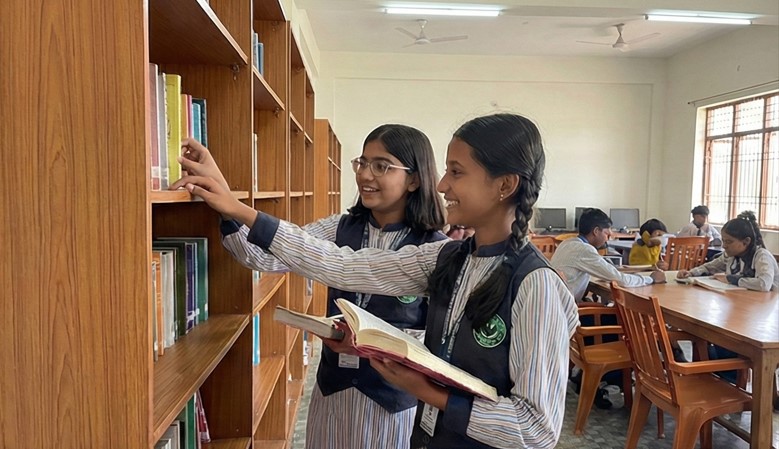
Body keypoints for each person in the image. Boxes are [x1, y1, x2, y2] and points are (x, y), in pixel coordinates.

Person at [171, 113, 579, 449]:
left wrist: (426, 389)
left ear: (505, 185)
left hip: (402, 411)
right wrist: (235, 210)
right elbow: (342, 266)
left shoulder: (534, 285)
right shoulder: (448, 257)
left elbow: (536, 429)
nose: (442, 184)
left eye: (456, 171)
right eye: (362, 163)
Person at [185, 124, 447, 449]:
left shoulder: (435, 248)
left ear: (415, 179)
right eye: (362, 163)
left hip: (393, 403)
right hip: (332, 391)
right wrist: (224, 202)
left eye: (381, 166)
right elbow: (262, 257)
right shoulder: (338, 227)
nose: (365, 175)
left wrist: (376, 344)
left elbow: (437, 341)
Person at [550, 208, 666, 409]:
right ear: (596, 231)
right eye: (607, 231)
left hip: (562, 312)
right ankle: (606, 377)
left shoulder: (569, 243)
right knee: (626, 324)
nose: (610, 235)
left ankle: (595, 376)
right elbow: (619, 279)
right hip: (567, 316)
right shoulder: (583, 250)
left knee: (616, 317)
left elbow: (603, 271)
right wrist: (650, 278)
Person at [678, 210, 779, 292]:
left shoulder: (761, 256)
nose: (724, 245)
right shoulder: (730, 255)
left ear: (746, 241)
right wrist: (691, 273)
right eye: (723, 241)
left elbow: (764, 284)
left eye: (729, 242)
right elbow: (710, 267)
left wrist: (731, 279)